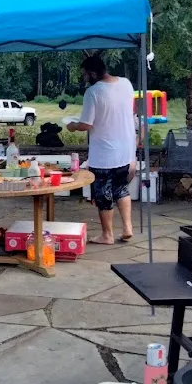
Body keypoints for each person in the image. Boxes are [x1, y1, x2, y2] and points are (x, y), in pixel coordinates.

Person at [67, 55, 136, 244]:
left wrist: (73, 126)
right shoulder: (126, 83)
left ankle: (107, 235)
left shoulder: (93, 92)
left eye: (85, 74)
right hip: (125, 151)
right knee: (121, 189)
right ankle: (127, 228)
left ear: (93, 73)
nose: (84, 78)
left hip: (104, 155)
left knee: (104, 195)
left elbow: (86, 124)